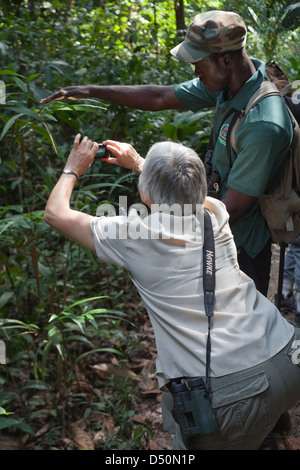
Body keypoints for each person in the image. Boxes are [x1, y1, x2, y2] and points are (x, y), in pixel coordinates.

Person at [44, 132, 300, 450]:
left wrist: (73, 167)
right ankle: (268, 430)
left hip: (232, 385)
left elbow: (56, 213)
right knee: (260, 419)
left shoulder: (135, 236)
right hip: (288, 354)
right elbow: (181, 192)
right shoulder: (215, 214)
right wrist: (141, 162)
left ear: (144, 193)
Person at [40, 10, 294, 297]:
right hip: (213, 232)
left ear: (225, 60)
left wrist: (152, 234)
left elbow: (230, 209)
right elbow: (159, 97)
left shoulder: (263, 123)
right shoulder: (230, 85)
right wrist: (90, 90)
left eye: (198, 64)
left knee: (240, 327)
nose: (195, 73)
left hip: (241, 247)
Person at [266, 61, 300, 324]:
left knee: (295, 248)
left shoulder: (279, 107)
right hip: (292, 191)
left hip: (290, 191)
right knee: (296, 248)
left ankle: (287, 295)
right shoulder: (287, 105)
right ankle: (293, 302)